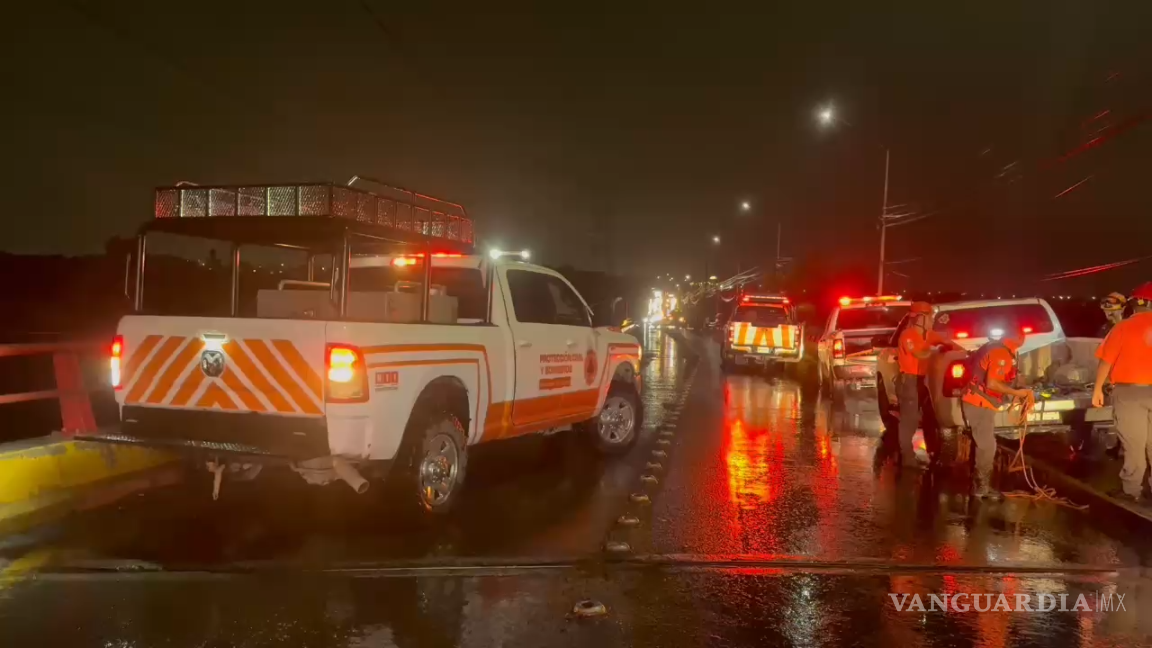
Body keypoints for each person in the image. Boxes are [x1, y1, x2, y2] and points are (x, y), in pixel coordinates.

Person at [1091, 282, 1152, 503]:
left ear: (1137, 303)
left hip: (1130, 393)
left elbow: (1106, 360)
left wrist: (1098, 389)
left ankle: (1131, 490)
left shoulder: (1123, 327)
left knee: (1134, 444)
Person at [960, 321, 1033, 499]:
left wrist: (1017, 387)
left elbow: (1003, 377)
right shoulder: (1001, 353)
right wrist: (1017, 392)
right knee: (987, 446)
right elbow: (992, 383)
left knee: (984, 444)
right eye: (1022, 335)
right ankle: (980, 487)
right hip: (979, 403)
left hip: (980, 402)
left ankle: (980, 485)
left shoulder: (998, 349)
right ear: (1017, 337)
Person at [895, 301, 950, 468]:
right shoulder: (908, 335)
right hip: (909, 381)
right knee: (909, 421)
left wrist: (968, 354)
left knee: (930, 417)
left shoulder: (930, 335)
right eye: (929, 316)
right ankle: (907, 459)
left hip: (922, 381)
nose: (932, 320)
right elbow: (919, 353)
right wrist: (935, 350)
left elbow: (949, 344)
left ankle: (933, 453)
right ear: (919, 318)